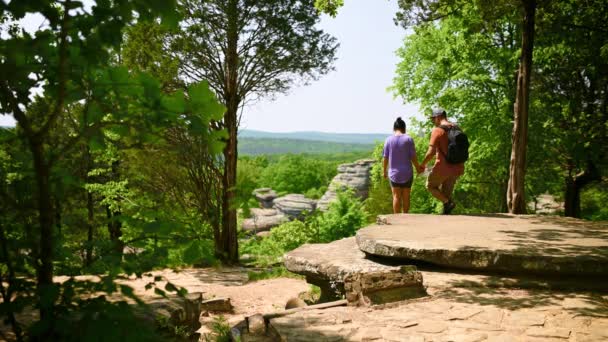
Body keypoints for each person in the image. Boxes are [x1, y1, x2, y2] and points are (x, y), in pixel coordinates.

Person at [420, 108, 465, 215]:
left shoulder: (437, 130)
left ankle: (448, 202)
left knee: (430, 186)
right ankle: (447, 212)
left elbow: (431, 152)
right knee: (446, 194)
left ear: (439, 117)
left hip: (442, 167)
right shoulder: (457, 128)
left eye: (433, 118)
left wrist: (423, 164)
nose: (433, 121)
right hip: (457, 167)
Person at [383, 117, 424, 214]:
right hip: (407, 173)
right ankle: (405, 217)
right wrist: (418, 168)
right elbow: (413, 157)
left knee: (396, 196)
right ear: (404, 128)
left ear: (394, 128)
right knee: (406, 196)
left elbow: (385, 157)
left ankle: (397, 219)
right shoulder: (408, 139)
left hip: (394, 174)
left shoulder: (388, 140)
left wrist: (384, 171)